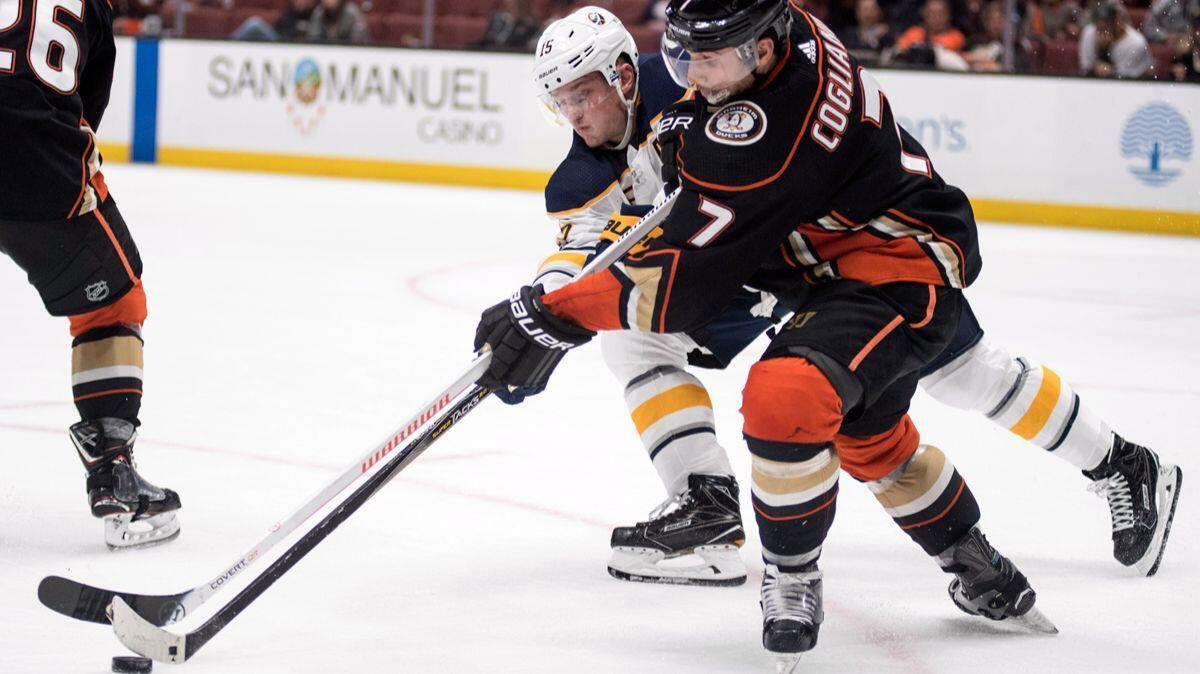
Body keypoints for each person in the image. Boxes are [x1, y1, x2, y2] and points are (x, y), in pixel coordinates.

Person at [479, 0, 1181, 662]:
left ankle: (1119, 464)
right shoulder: (770, 39)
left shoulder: (745, 124)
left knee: (956, 373)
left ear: (626, 74)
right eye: (560, 100)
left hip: (871, 248)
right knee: (662, 347)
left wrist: (554, 317)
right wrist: (546, 294)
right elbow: (589, 247)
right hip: (806, 249)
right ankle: (706, 496)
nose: (574, 113)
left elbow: (686, 267)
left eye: (584, 92)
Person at [0, 0, 182, 549]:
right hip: (41, 170)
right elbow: (85, 111)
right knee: (113, 306)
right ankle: (112, 472)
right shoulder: (93, 8)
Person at [1079, 1, 1153, 78]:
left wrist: (1104, 52)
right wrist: (1101, 51)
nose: (1102, 33)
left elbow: (1123, 78)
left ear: (1118, 24)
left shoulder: (1136, 44)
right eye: (1099, 28)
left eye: (1105, 28)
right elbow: (1086, 70)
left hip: (1136, 83)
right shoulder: (1089, 33)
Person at [231, 0, 317, 42]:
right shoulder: (290, 13)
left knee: (255, 23)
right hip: (281, 44)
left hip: (306, 50)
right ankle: (227, 45)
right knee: (254, 24)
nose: (301, 1)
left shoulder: (317, 13)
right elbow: (280, 29)